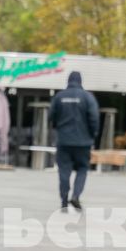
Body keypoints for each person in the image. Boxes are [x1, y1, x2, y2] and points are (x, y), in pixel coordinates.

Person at [49, 71, 100, 211]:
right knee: (83, 169)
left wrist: (57, 128)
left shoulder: (59, 96)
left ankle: (64, 200)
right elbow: (94, 118)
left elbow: (51, 116)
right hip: (83, 142)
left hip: (64, 141)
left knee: (64, 171)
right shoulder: (88, 97)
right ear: (80, 81)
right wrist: (93, 134)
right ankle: (76, 195)